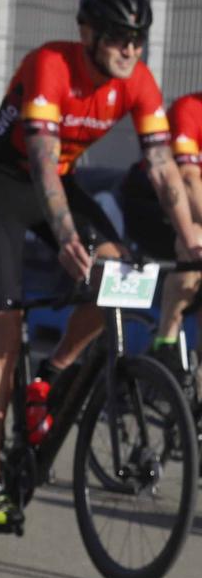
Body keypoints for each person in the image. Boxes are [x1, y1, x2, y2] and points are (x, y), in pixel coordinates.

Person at [0, 0, 202, 527]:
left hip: (57, 184)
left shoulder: (138, 82)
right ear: (88, 35)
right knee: (3, 330)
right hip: (2, 183)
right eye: (119, 38)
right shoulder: (51, 64)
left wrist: (190, 238)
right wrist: (67, 235)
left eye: (137, 41)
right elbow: (44, 162)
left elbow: (165, 171)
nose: (130, 51)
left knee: (117, 272)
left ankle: (52, 373)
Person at [119, 89, 202, 369]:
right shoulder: (189, 109)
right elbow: (188, 182)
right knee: (194, 242)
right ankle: (165, 344)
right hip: (152, 202)